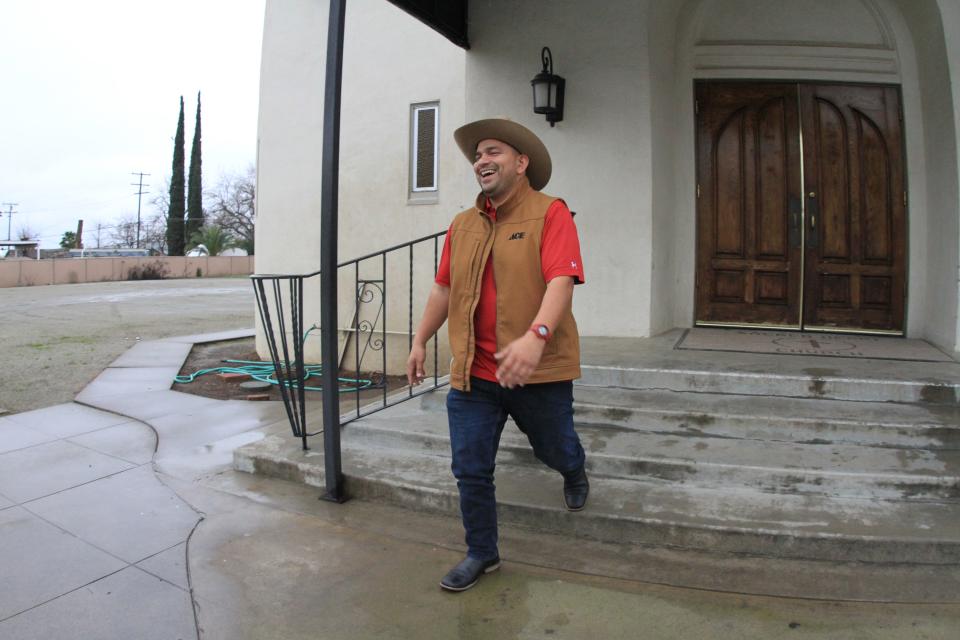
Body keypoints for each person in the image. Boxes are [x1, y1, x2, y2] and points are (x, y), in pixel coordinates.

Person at [406, 118, 589, 592]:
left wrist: (537, 335)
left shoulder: (551, 213)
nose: (481, 161)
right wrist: (420, 339)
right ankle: (482, 553)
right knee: (470, 467)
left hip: (537, 372)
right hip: (474, 375)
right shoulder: (463, 224)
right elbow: (444, 287)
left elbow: (560, 281)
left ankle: (573, 467)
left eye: (493, 152)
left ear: (521, 163)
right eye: (477, 156)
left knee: (554, 447)